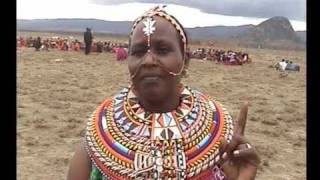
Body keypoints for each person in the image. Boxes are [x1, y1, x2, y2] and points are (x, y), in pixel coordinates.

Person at [67, 6, 260, 180]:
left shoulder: (220, 147)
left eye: (163, 49)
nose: (149, 60)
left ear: (184, 61)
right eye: (139, 51)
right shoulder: (96, 145)